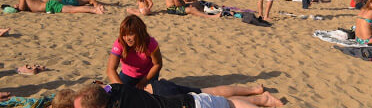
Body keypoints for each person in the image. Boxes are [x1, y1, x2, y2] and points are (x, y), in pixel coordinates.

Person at [72, 82, 283, 108]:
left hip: (192, 106)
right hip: (189, 101)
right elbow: (106, 86)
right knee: (227, 103)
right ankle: (263, 99)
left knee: (230, 106)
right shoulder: (116, 89)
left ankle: (263, 100)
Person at [107, 15, 162, 88]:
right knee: (117, 92)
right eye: (124, 35)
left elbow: (157, 64)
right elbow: (111, 69)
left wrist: (143, 82)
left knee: (149, 96)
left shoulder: (151, 44)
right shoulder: (120, 43)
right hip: (128, 74)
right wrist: (122, 89)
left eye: (130, 34)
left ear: (140, 32)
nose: (127, 38)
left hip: (147, 74)